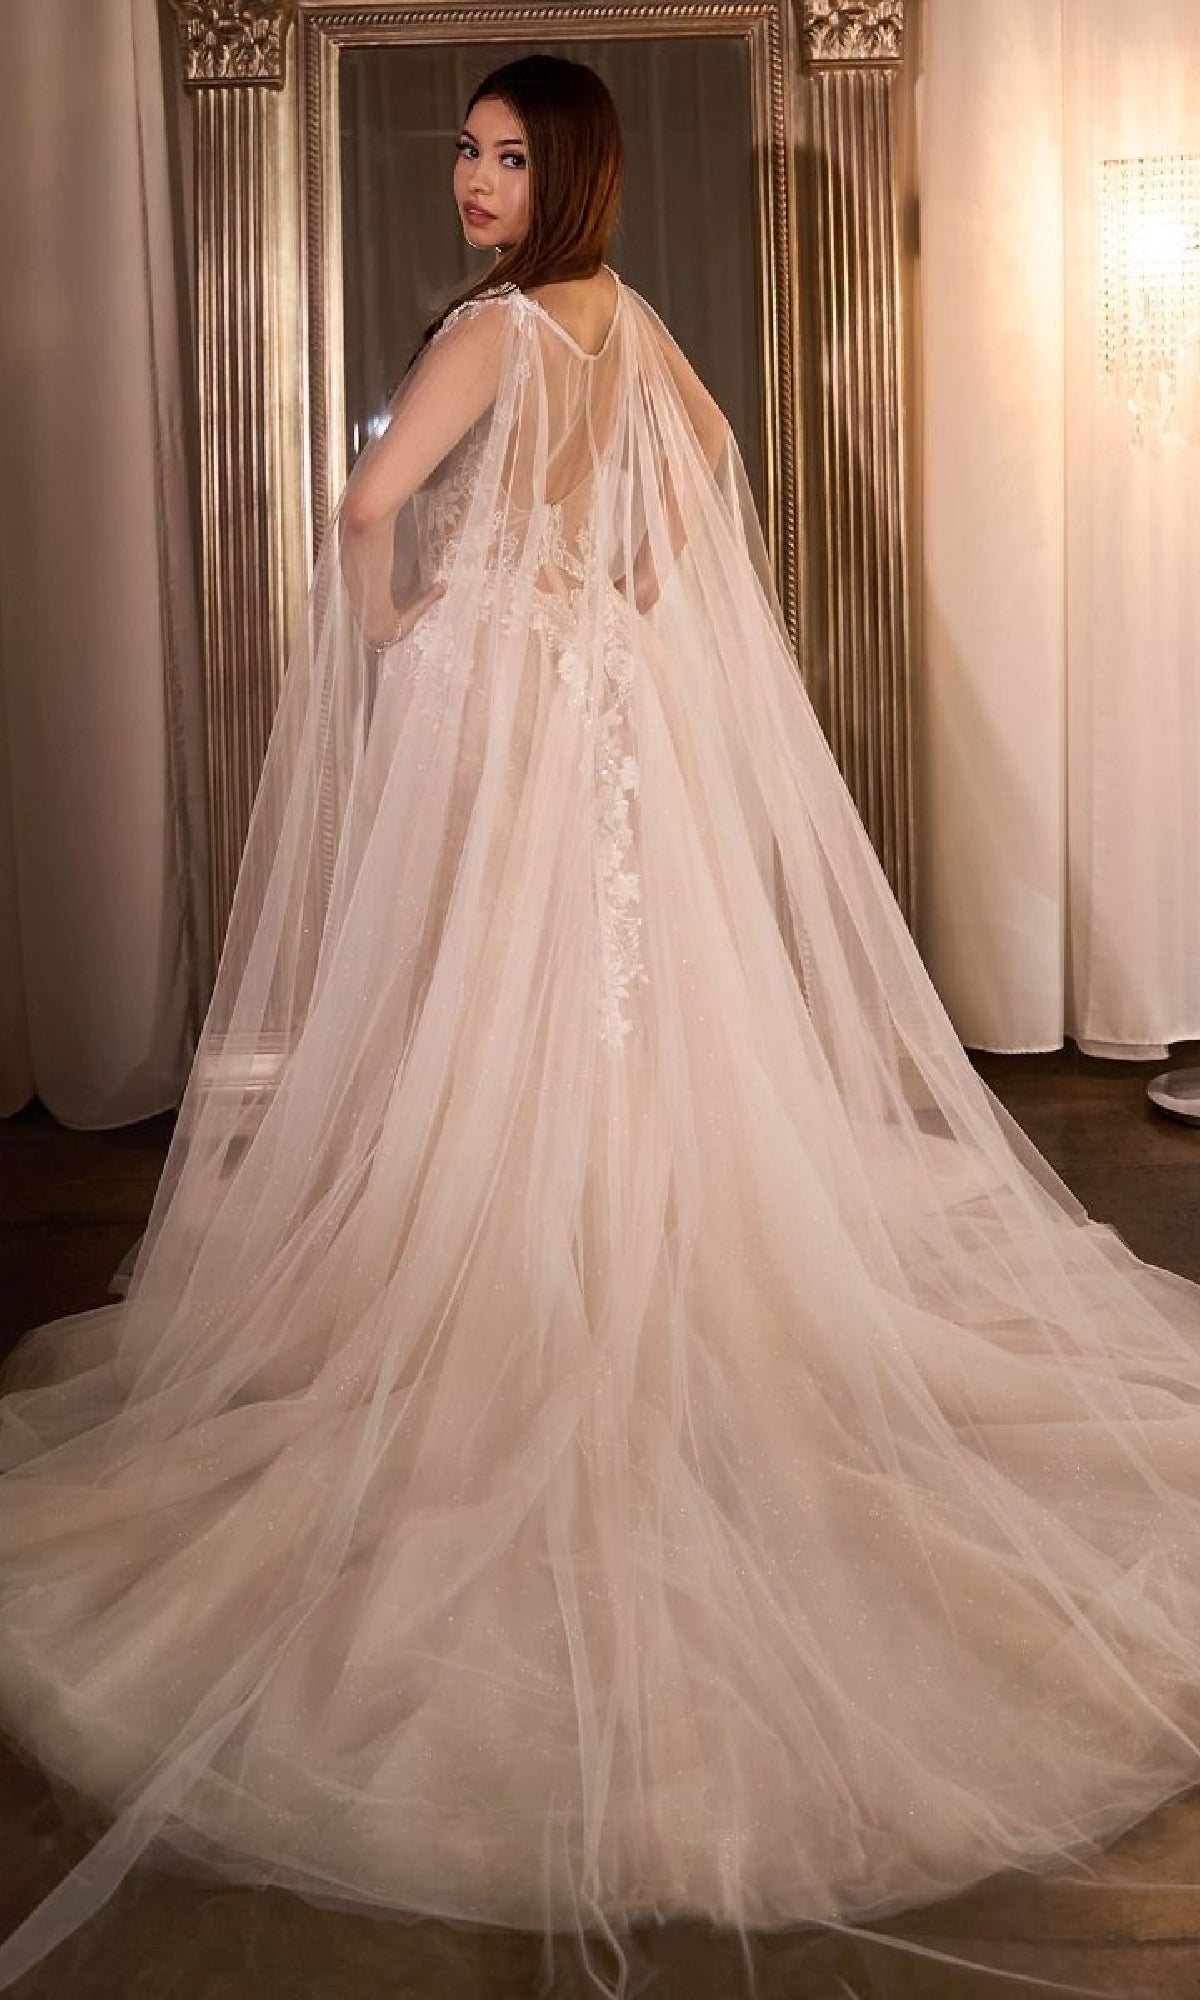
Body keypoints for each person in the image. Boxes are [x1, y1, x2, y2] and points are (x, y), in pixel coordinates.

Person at [2, 49, 1200, 2000]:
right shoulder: (618, 316)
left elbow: (365, 493)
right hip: (601, 726)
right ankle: (606, 1241)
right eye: (469, 151)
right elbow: (713, 455)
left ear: (566, 171)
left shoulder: (493, 328)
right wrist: (617, 585)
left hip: (499, 709)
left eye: (508, 154)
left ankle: (523, 1275)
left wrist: (405, 619)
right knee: (597, 1008)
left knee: (490, 998)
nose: (476, 180)